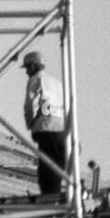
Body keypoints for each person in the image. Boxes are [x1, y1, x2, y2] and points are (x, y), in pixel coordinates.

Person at [22, 51, 67, 196]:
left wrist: (30, 124)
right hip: (63, 129)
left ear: (35, 66)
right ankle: (55, 196)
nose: (27, 72)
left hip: (47, 127)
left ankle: (49, 199)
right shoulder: (57, 83)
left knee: (47, 169)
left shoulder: (35, 79)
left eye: (28, 67)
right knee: (58, 168)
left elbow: (30, 105)